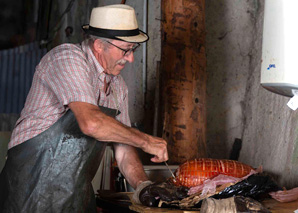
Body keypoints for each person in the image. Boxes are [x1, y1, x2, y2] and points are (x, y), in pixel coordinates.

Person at [0, 4, 168, 212]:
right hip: (29, 195)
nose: (131, 58)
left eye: (133, 50)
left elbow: (123, 151)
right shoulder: (68, 58)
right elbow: (91, 123)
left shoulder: (117, 87)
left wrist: (144, 186)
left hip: (76, 199)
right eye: (125, 50)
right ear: (99, 45)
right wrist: (146, 140)